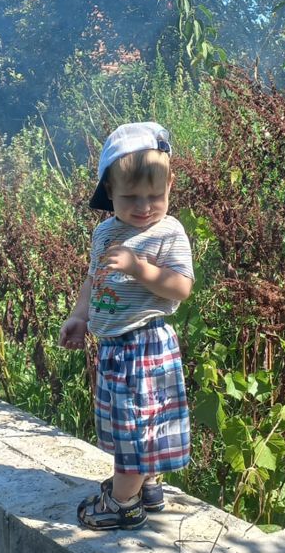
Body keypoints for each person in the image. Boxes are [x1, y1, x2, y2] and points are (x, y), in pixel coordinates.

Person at [59, 122, 194, 531]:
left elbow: (181, 287)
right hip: (115, 345)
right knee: (129, 420)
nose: (144, 207)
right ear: (109, 192)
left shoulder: (167, 232)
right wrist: (80, 315)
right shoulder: (105, 232)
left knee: (139, 422)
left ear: (169, 183)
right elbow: (93, 279)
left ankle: (123, 503)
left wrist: (140, 268)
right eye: (130, 197)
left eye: (155, 195)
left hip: (146, 343)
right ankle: (147, 485)